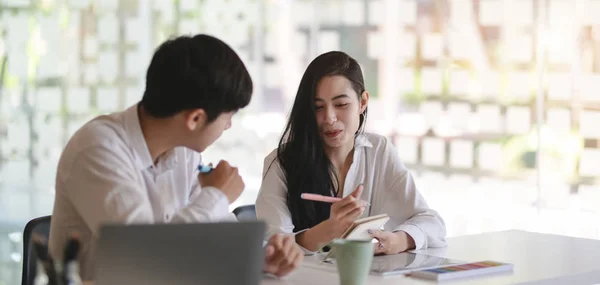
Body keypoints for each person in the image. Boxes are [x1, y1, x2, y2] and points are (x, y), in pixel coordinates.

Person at [48, 34, 303, 281]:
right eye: (228, 117)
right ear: (195, 119)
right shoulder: (98, 150)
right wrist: (216, 195)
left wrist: (262, 256)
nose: (228, 127)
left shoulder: (183, 153)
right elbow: (147, 258)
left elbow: (211, 238)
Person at [256, 51, 447, 255]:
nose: (329, 118)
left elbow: (432, 224)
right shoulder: (280, 162)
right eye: (318, 107)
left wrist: (398, 240)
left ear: (363, 102)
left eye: (341, 105)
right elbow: (273, 246)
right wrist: (330, 229)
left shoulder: (378, 152)